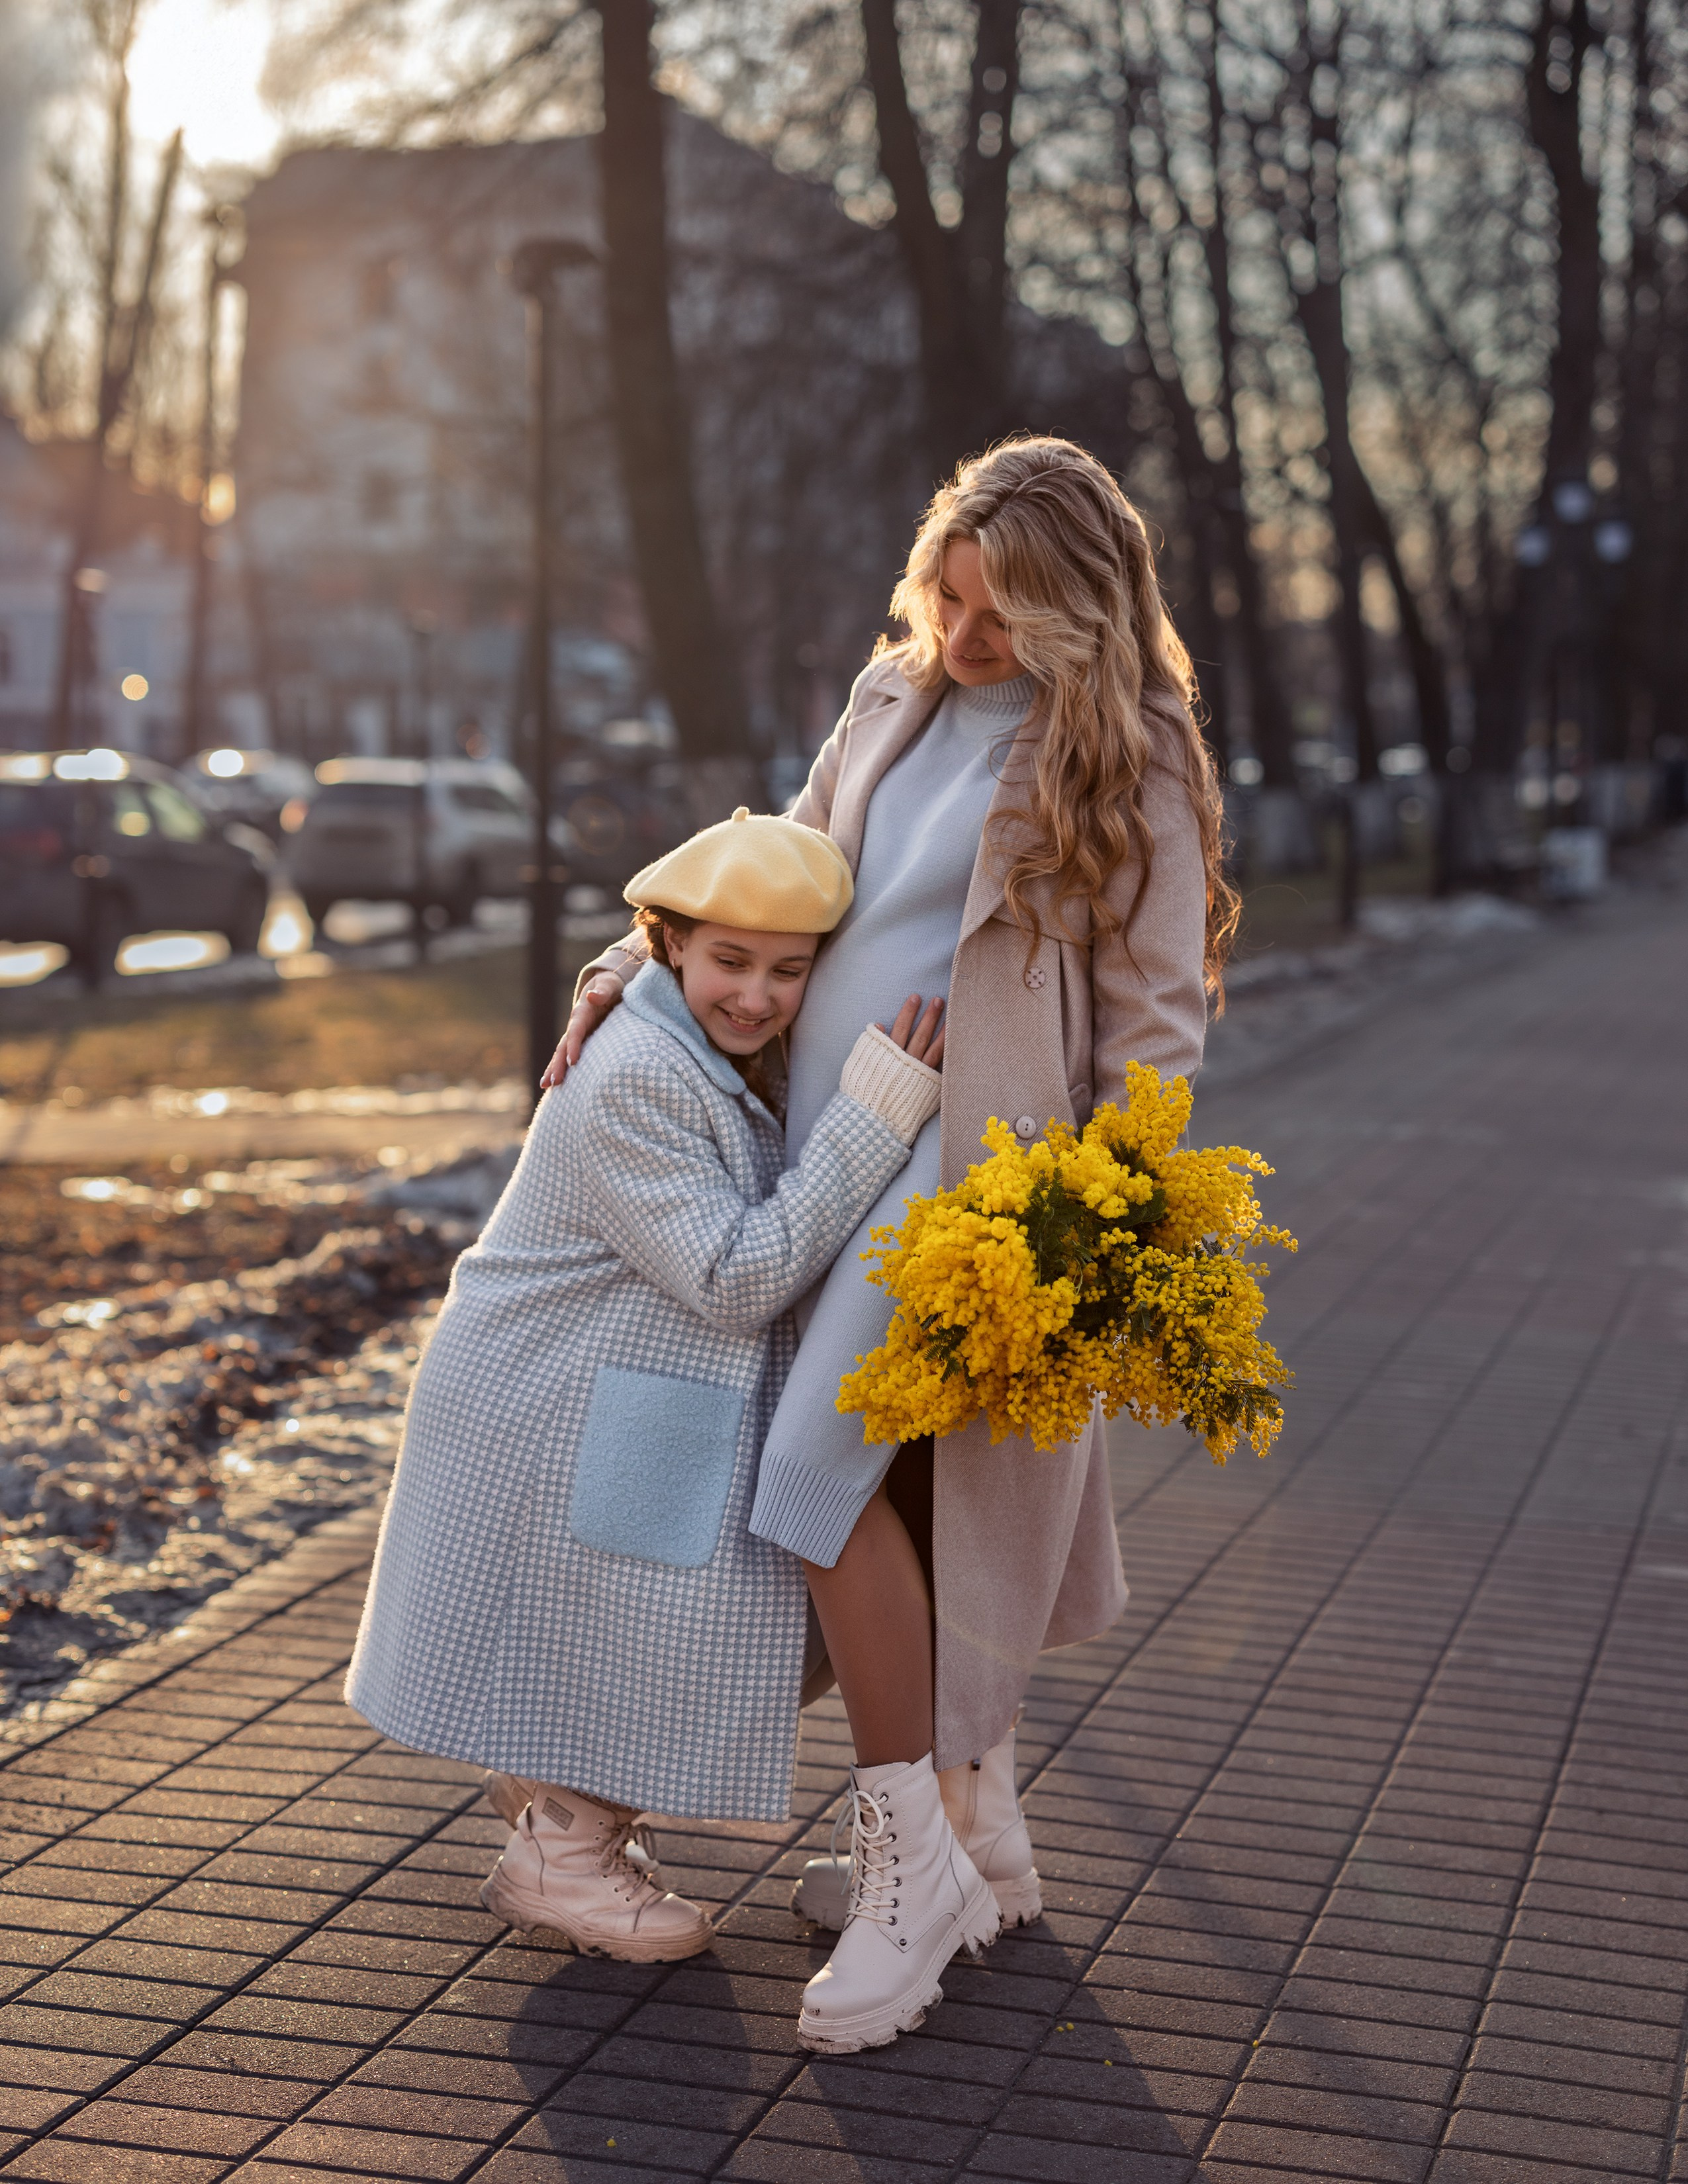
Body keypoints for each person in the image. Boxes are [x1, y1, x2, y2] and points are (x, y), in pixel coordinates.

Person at [549, 437, 1233, 2052]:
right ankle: (972, 1825)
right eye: (951, 593)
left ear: (1080, 610)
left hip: (977, 1182)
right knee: (897, 1496)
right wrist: (626, 973)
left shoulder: (1128, 748)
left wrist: (1094, 1226)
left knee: (810, 1477)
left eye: (1004, 613)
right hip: (827, 1137)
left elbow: (1158, 1024)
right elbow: (774, 878)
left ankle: (912, 1870)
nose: (967, 634)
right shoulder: (886, 700)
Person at [346, 808, 962, 1964]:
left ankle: (560, 1811)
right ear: (670, 943)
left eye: (791, 972)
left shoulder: (699, 1041)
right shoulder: (635, 1072)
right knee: (656, 1626)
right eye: (730, 961)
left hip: (627, 1391)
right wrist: (879, 1109)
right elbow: (736, 1278)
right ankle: (559, 1856)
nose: (756, 996)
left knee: (692, 1626)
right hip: (548, 1398)